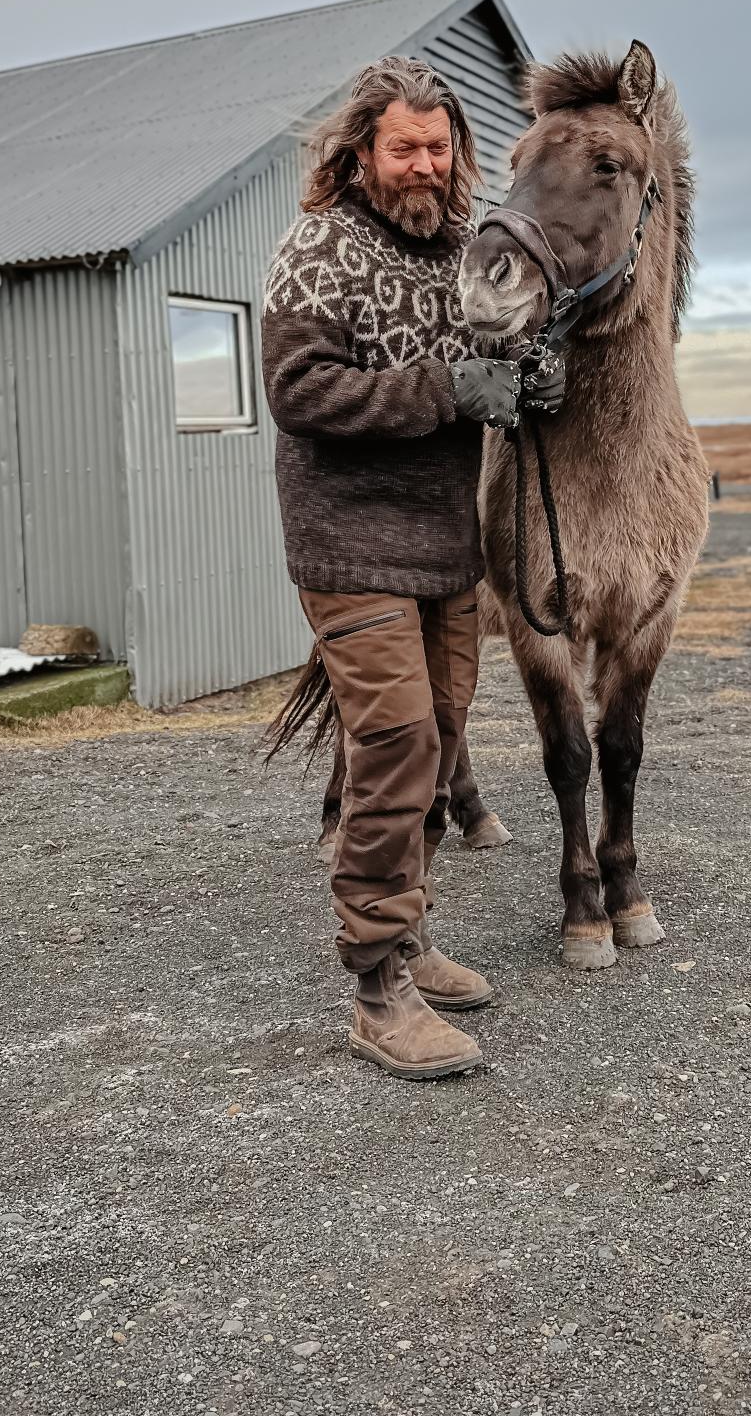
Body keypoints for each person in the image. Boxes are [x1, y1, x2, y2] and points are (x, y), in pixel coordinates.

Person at [260, 56, 563, 1080]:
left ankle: (412, 929)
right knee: (394, 748)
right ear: (362, 151)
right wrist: (448, 387)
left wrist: (528, 375)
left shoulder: (465, 253)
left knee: (437, 747)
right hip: (350, 546)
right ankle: (377, 986)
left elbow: (497, 360)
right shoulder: (318, 251)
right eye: (405, 148)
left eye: (439, 147)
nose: (426, 165)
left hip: (447, 546)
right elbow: (302, 392)